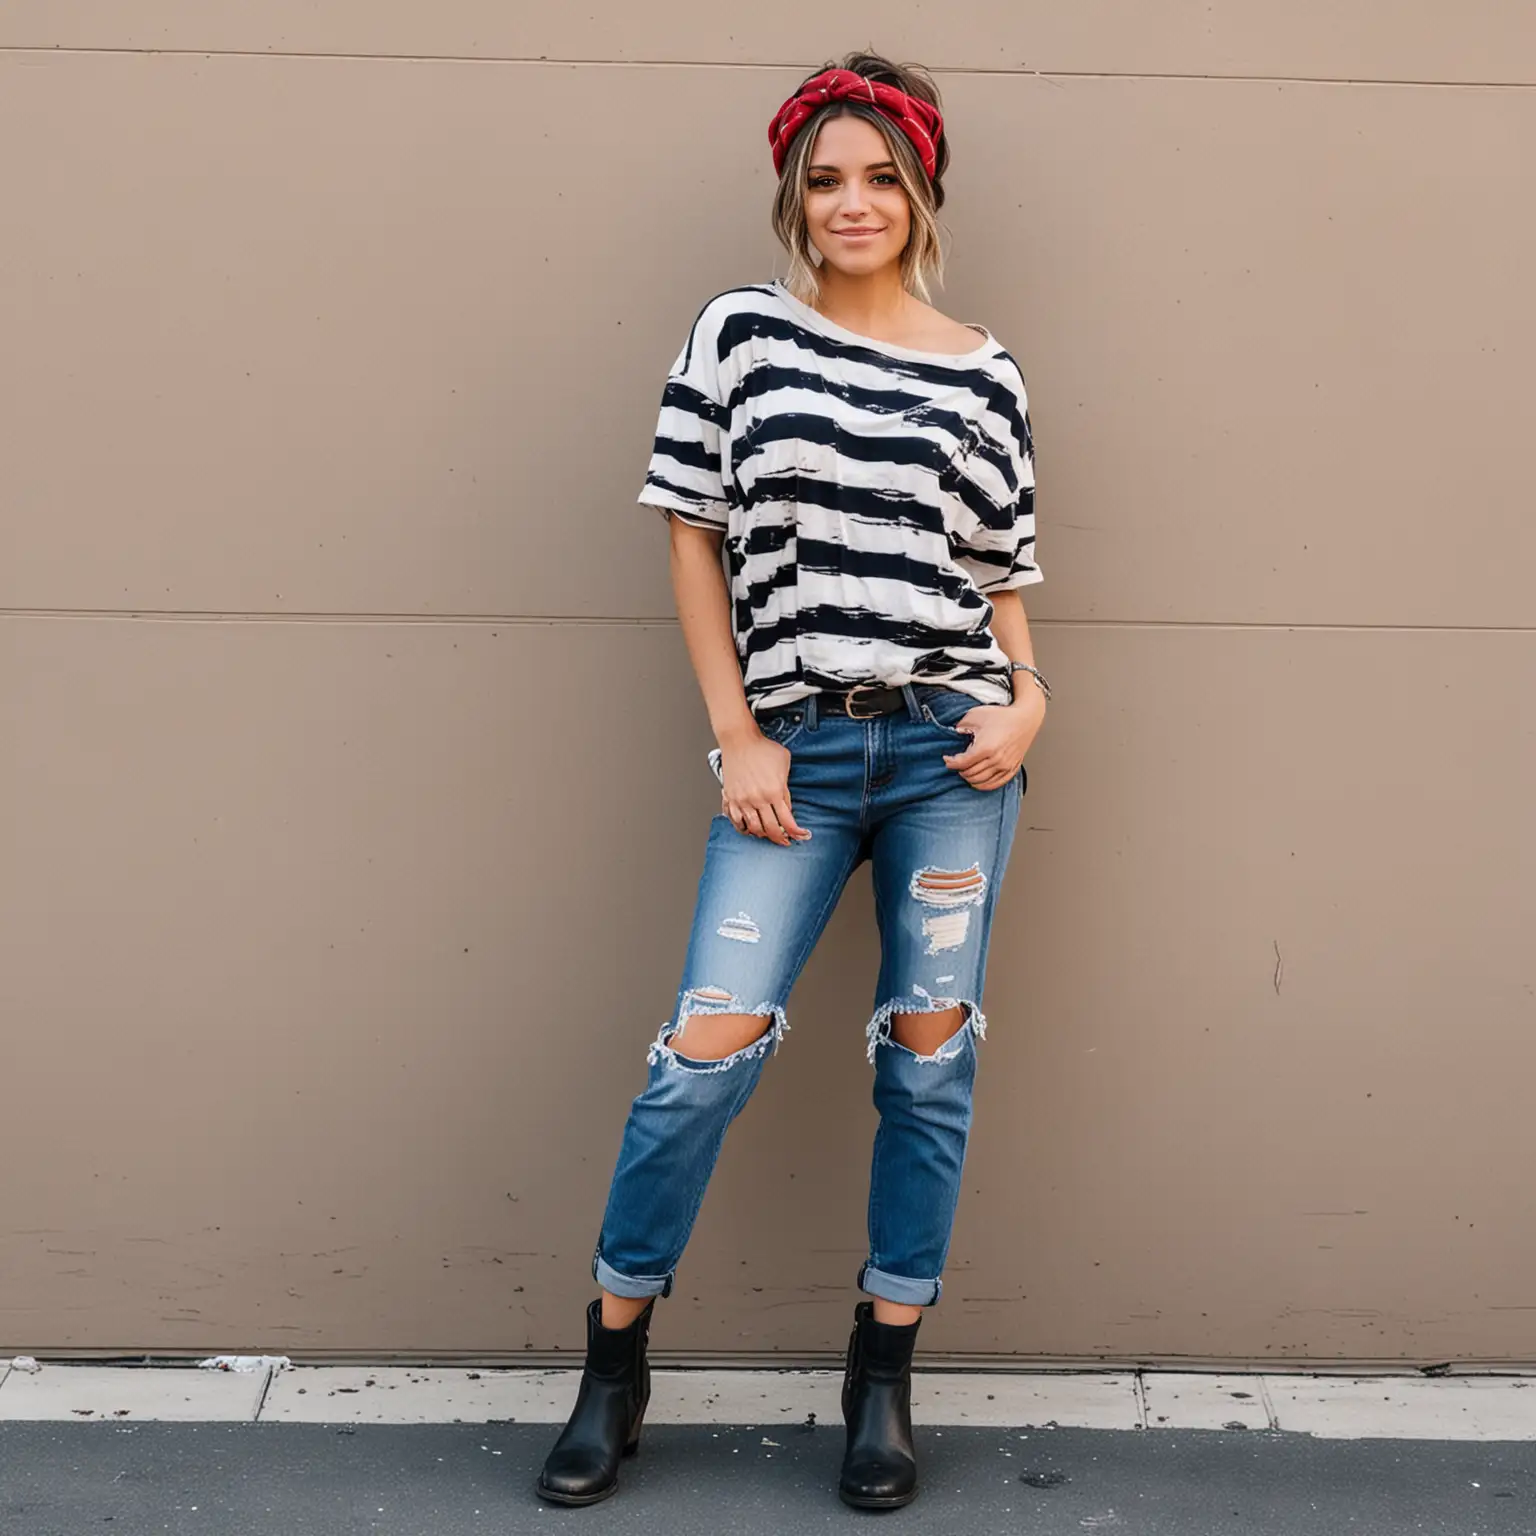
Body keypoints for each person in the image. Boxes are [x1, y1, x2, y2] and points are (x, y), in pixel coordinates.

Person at [536, 50, 1048, 1511]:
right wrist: (740, 734)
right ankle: (613, 1359)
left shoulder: (988, 370)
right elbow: (691, 532)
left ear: (923, 187)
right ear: (793, 195)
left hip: (958, 750)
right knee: (705, 1054)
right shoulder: (744, 334)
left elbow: (999, 576)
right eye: (825, 179)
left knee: (930, 1066)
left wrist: (1035, 700)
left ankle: (881, 1370)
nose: (852, 201)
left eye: (880, 175)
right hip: (799, 752)